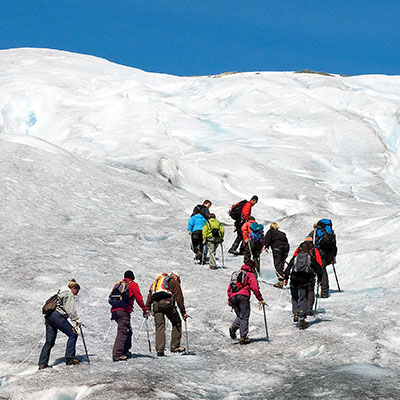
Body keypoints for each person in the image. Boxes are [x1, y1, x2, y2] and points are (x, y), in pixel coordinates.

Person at [38, 279, 83, 369]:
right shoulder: (68, 294)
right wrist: (76, 319)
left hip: (50, 317)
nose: (77, 293)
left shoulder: (60, 292)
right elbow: (70, 309)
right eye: (77, 291)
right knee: (73, 334)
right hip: (57, 316)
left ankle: (42, 363)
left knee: (49, 342)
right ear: (74, 288)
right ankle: (70, 358)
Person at [146, 272, 189, 356]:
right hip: (166, 303)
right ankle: (175, 346)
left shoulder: (157, 282)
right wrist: (183, 312)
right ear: (176, 276)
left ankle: (160, 349)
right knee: (176, 322)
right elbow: (179, 297)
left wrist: (148, 308)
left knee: (159, 327)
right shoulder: (173, 281)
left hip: (155, 305)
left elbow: (150, 295)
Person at [110, 270, 149, 362]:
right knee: (123, 331)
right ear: (133, 277)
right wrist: (144, 308)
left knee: (127, 330)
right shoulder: (132, 285)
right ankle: (117, 354)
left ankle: (125, 351)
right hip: (123, 311)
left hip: (115, 310)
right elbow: (139, 298)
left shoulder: (119, 285)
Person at [284, 241, 322, 330]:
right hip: (304, 281)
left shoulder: (295, 258)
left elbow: (288, 268)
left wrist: (285, 278)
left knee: (294, 297)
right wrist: (319, 279)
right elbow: (319, 269)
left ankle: (295, 312)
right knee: (303, 298)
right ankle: (301, 318)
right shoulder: (310, 258)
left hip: (294, 280)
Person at [227, 260, 265, 344]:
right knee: (244, 317)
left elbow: (230, 287)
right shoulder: (250, 274)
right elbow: (255, 287)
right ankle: (243, 337)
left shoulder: (236, 274)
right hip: (243, 296)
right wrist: (260, 299)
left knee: (240, 315)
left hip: (233, 297)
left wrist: (229, 299)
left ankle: (234, 326)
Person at [291, 237, 322, 316]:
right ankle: (308, 309)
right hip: (310, 274)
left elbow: (293, 259)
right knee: (310, 291)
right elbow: (319, 263)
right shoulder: (314, 250)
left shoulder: (299, 249)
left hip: (296, 275)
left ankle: (298, 310)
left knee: (299, 294)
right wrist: (319, 277)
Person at [308, 219, 338, 298]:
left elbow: (308, 243)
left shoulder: (315, 232)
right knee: (323, 271)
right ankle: (324, 291)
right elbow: (334, 245)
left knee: (321, 271)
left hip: (319, 253)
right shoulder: (331, 233)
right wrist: (333, 257)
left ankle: (324, 292)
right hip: (329, 254)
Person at [264, 222, 290, 288]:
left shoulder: (271, 231)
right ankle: (284, 274)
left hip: (277, 248)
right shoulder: (282, 233)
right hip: (286, 248)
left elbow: (267, 239)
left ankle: (281, 279)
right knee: (282, 263)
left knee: (277, 263)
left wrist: (266, 246)